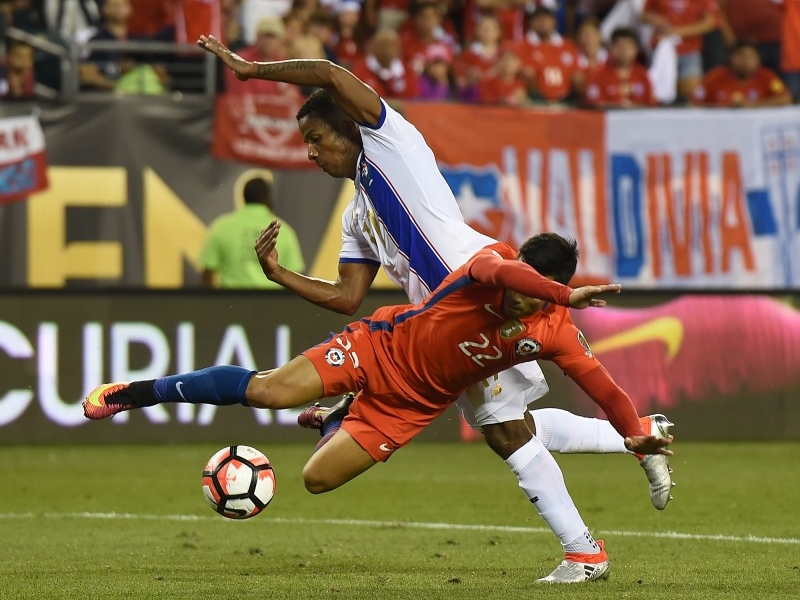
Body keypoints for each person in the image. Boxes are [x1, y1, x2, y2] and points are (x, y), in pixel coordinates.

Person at [192, 34, 675, 583]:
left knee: (505, 433)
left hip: (482, 299)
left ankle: (585, 552)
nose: (310, 152)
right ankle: (636, 434)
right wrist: (280, 275)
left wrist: (251, 71)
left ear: (349, 127)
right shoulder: (357, 215)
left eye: (317, 138)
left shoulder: (392, 141)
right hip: (440, 331)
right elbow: (348, 296)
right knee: (511, 424)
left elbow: (328, 72)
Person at [84, 233, 672, 587]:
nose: (519, 296)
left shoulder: (554, 332)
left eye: (535, 294)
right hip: (377, 347)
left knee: (316, 480)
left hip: (411, 407)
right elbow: (503, 272)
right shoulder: (489, 265)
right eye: (526, 286)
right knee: (268, 391)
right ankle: (136, 393)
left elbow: (603, 386)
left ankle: (342, 413)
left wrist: (632, 431)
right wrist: (565, 293)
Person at [199, 174, 306, 289]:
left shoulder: (221, 227)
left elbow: (208, 274)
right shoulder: (284, 230)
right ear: (267, 198)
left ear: (244, 197)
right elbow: (296, 277)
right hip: (273, 303)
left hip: (231, 303)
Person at [692, 39, 792, 108]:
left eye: (751, 57)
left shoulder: (767, 76)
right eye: (742, 57)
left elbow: (785, 98)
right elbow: (695, 103)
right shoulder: (714, 77)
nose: (746, 61)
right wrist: (725, 108)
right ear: (731, 58)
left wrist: (751, 106)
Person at [583, 27, 655, 108]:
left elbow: (651, 105)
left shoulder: (643, 75)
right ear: (611, 49)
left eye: (627, 47)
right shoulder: (598, 75)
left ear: (636, 50)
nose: (623, 51)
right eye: (619, 46)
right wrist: (618, 107)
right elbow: (592, 106)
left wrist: (633, 108)